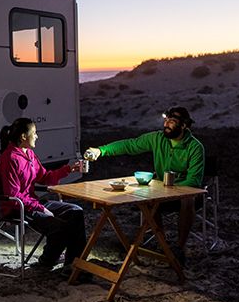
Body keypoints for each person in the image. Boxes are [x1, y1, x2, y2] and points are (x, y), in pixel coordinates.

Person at [84, 106, 204, 267]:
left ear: (183, 126)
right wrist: (101, 150)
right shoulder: (157, 139)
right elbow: (130, 145)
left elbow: (194, 181)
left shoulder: (195, 147)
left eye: (172, 122)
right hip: (162, 191)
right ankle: (163, 241)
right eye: (166, 121)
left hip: (185, 193)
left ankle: (179, 248)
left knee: (188, 200)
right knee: (143, 196)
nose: (166, 125)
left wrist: (168, 187)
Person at [0, 118, 90, 280]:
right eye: (34, 133)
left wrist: (69, 169)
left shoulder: (29, 154)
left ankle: (73, 264)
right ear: (23, 137)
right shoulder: (10, 158)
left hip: (31, 203)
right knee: (60, 227)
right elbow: (13, 196)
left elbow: (45, 177)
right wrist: (40, 208)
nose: (37, 136)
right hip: (17, 208)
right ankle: (47, 260)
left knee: (75, 212)